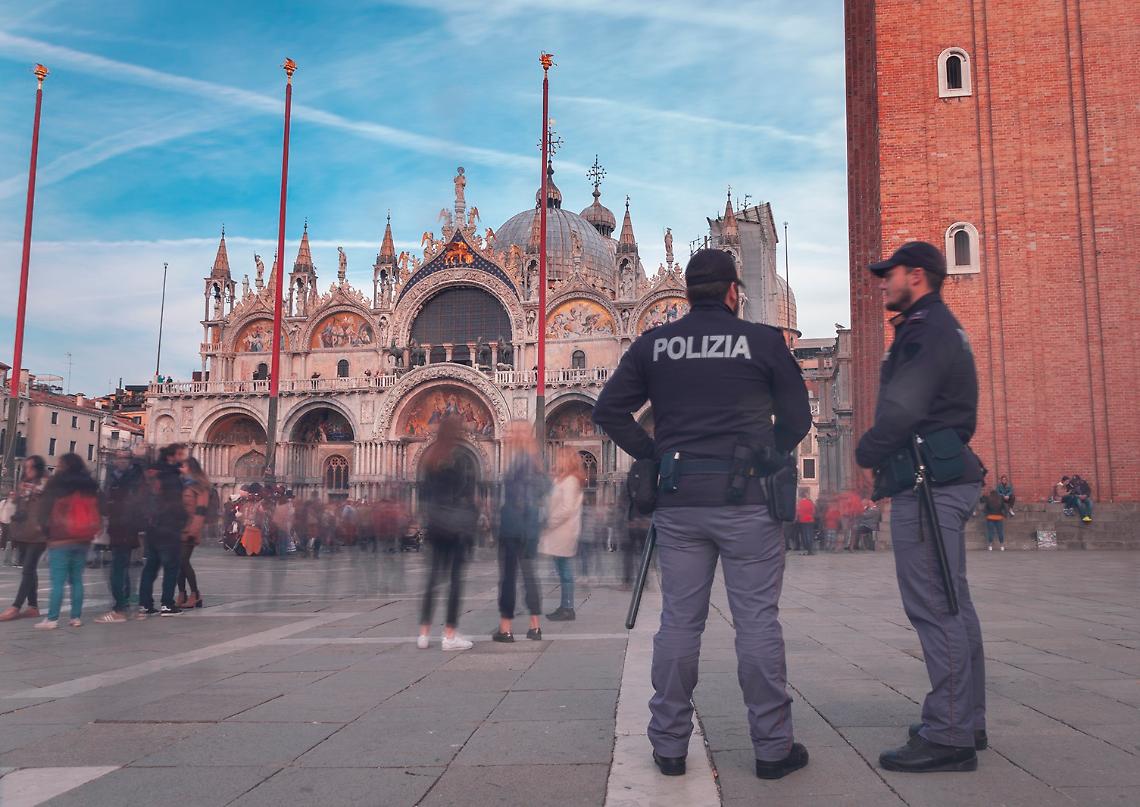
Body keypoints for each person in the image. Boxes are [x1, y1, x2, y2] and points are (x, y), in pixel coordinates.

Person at [593, 248, 812, 781]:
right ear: (734, 291)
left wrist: (654, 455)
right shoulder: (761, 341)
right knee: (757, 622)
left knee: (677, 624)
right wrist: (769, 453)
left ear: (687, 294)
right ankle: (771, 748)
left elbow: (607, 411)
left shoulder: (655, 344)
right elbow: (800, 416)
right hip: (747, 504)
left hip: (680, 503)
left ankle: (669, 746)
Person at [855, 241, 987, 773]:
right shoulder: (939, 325)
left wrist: (868, 450)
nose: (883, 283)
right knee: (953, 602)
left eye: (890, 275)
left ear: (918, 276)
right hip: (943, 473)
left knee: (934, 604)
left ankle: (950, 732)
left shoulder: (924, 329)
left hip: (927, 481)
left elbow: (905, 404)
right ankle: (965, 717)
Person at [417, 416, 477, 651]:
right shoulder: (460, 458)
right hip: (454, 528)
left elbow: (423, 494)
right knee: (454, 581)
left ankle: (423, 634)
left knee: (432, 580)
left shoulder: (430, 459)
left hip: (435, 526)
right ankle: (449, 635)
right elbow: (466, 493)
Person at [492, 421, 547, 643]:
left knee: (508, 578)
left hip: (513, 527)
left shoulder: (519, 461)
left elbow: (517, 495)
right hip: (529, 528)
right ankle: (535, 627)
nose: (507, 433)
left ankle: (505, 629)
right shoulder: (535, 460)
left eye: (512, 430)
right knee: (529, 576)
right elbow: (545, 489)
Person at [35, 454, 102, 629]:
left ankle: (52, 619)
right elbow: (100, 508)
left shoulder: (56, 483)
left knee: (58, 581)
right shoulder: (89, 485)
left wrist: (45, 532)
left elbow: (44, 511)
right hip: (83, 538)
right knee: (77, 580)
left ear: (63, 466)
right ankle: (75, 617)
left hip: (60, 538)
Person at [138, 444, 189, 618]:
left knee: (150, 567)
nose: (183, 457)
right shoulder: (171, 476)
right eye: (180, 454)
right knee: (171, 566)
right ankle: (167, 604)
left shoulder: (153, 473)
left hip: (151, 526)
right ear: (171, 456)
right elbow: (175, 503)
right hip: (168, 526)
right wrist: (182, 520)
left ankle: (145, 604)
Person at [95, 450, 144, 623]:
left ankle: (119, 610)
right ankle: (128, 605)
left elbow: (129, 502)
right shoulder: (117, 477)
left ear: (130, 461)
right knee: (123, 567)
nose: (121, 461)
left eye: (125, 458)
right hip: (120, 527)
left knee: (117, 568)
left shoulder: (130, 479)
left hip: (125, 527)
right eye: (119, 458)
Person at [540, 448, 585, 622]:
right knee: (562, 570)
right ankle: (565, 606)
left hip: (563, 531)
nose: (556, 460)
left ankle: (567, 607)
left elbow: (567, 509)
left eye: (559, 457)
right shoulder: (564, 479)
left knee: (565, 571)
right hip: (558, 531)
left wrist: (548, 522)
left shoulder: (571, 480)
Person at [0, 456, 48, 621]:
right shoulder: (22, 486)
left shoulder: (45, 485)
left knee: (28, 569)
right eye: (26, 467)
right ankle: (33, 607)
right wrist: (15, 499)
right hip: (22, 532)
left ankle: (16, 606)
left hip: (38, 534)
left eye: (30, 467)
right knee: (29, 570)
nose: (27, 471)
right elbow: (19, 508)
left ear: (38, 468)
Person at [177, 457, 210, 608]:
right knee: (178, 563)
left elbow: (201, 510)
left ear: (190, 468)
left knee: (183, 561)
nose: (180, 468)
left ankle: (195, 594)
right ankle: (182, 594)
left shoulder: (199, 486)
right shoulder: (181, 485)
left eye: (182, 466)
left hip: (190, 529)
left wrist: (194, 530)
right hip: (178, 528)